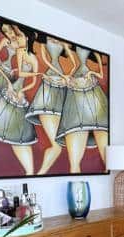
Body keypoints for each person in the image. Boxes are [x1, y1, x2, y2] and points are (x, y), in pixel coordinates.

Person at [0, 26, 41, 175]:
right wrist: (11, 84)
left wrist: (22, 92)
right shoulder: (19, 52)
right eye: (17, 35)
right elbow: (21, 72)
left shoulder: (33, 58)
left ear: (28, 39)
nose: (17, 38)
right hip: (12, 89)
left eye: (20, 36)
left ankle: (30, 173)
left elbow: (32, 81)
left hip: (20, 93)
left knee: (19, 131)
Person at [55, 47, 109, 173]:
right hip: (75, 95)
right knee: (74, 162)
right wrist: (68, 77)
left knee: (108, 160)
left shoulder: (95, 51)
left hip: (93, 93)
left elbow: (101, 74)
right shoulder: (67, 47)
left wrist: (91, 73)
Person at [26, 37, 74, 174]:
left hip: (61, 87)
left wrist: (68, 76)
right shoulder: (43, 42)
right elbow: (45, 61)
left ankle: (39, 174)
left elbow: (75, 64)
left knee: (58, 145)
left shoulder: (64, 43)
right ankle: (39, 174)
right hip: (49, 87)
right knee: (57, 145)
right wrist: (63, 76)